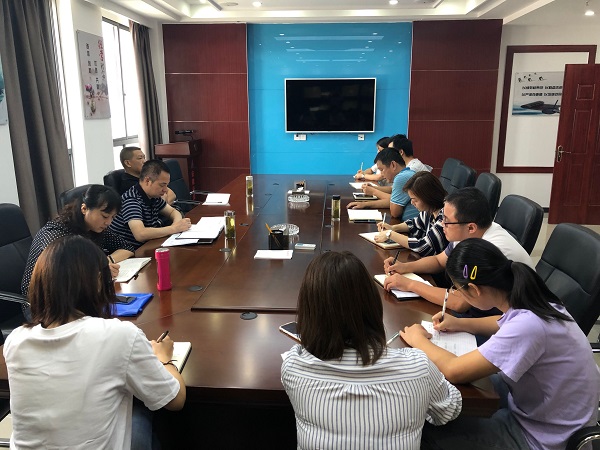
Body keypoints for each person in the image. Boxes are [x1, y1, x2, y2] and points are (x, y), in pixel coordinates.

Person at [401, 238, 600, 450]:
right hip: (539, 407)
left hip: (543, 437)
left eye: (458, 290)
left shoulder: (528, 326)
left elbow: (454, 370)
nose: (457, 294)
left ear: (474, 290)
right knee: (441, 396)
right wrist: (460, 323)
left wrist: (418, 340)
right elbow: (503, 322)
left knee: (424, 429)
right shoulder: (536, 300)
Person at [5, 235, 186, 449]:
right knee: (145, 410)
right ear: (98, 281)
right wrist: (164, 359)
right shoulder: (119, 336)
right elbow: (175, 400)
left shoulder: (15, 340)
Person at [281, 251, 462, 450]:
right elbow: (449, 410)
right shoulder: (418, 367)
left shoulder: (293, 365)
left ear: (308, 313)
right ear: (372, 304)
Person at [383, 187, 533, 315]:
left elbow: (460, 302)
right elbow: (439, 261)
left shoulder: (487, 250)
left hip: (506, 318)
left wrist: (410, 285)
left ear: (471, 227)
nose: (442, 224)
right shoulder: (469, 231)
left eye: (446, 221)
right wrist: (404, 267)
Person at [21, 184, 134, 295]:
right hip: (44, 298)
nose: (108, 222)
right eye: (105, 216)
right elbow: (64, 273)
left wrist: (107, 260)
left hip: (75, 293)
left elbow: (127, 247)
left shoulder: (96, 228)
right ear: (84, 209)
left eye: (113, 217)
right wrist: (98, 270)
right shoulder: (57, 234)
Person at [109, 159, 192, 250]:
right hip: (131, 252)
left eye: (167, 185)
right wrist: (174, 229)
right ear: (147, 181)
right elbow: (140, 234)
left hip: (148, 245)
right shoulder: (132, 200)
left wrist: (177, 225)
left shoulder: (152, 196)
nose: (165, 190)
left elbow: (173, 212)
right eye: (162, 185)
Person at [374, 171, 448, 256]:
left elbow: (422, 246)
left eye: (415, 200)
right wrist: (393, 228)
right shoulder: (430, 210)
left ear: (428, 197)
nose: (412, 203)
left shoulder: (445, 216)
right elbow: (414, 224)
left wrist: (390, 234)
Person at [347, 148, 419, 220]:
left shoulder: (401, 177)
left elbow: (395, 212)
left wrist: (374, 192)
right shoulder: (407, 173)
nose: (381, 174)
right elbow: (392, 201)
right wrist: (364, 204)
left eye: (382, 170)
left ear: (393, 165)